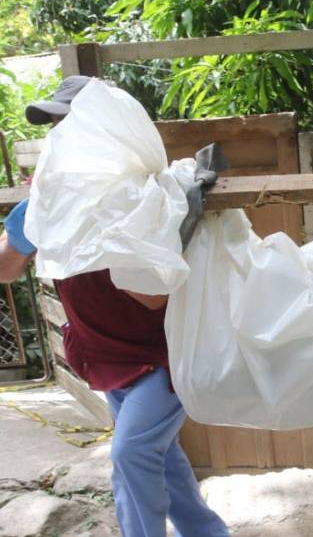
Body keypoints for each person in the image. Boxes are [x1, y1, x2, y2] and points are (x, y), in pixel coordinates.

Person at [1, 76, 229, 537]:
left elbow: (154, 297)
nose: (58, 139)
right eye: (54, 129)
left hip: (162, 356)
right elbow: (6, 268)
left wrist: (107, 233)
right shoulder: (44, 206)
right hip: (104, 356)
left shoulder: (154, 197)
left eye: (66, 125)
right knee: (158, 457)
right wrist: (39, 215)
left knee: (132, 454)